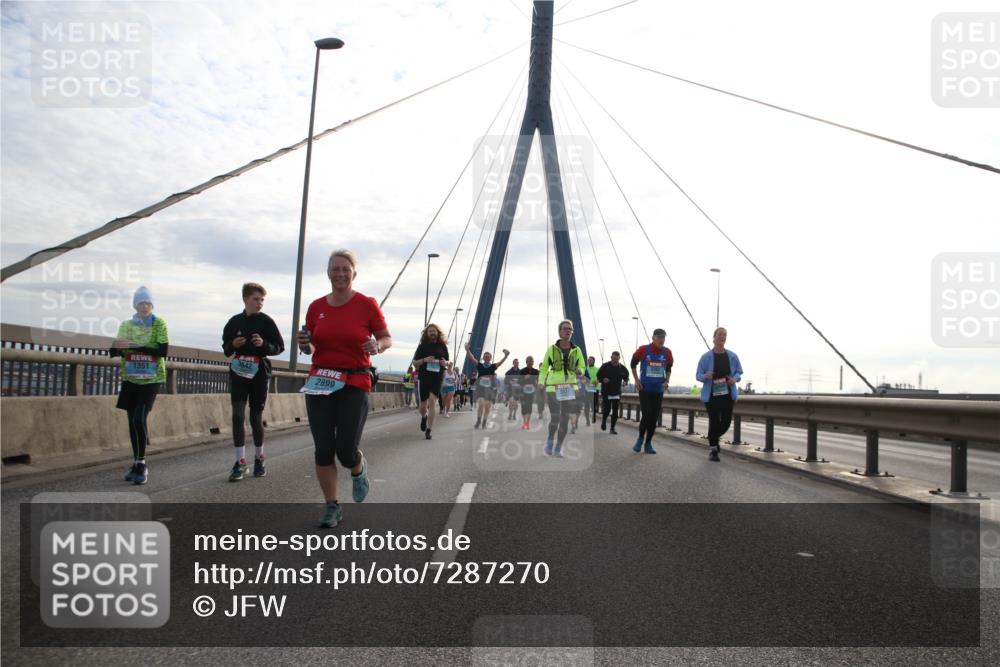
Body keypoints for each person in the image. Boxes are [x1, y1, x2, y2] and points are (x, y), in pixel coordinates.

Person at [298, 249, 391, 528]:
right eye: (335, 269)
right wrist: (305, 343)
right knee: (323, 449)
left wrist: (377, 345)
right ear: (328, 273)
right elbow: (311, 345)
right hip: (320, 381)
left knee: (346, 451)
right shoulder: (316, 307)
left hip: (354, 382)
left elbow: (386, 338)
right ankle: (332, 506)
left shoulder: (366, 304)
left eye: (345, 269)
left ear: (354, 274)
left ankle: (357, 467)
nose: (340, 274)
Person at [221, 282, 285, 481]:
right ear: (245, 299)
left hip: (259, 373)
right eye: (256, 299)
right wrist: (233, 343)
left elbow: (279, 347)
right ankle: (240, 462)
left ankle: (259, 458)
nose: (260, 303)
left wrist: (263, 344)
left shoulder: (266, 322)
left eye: (262, 300)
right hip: (239, 372)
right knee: (237, 416)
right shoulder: (234, 322)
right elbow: (226, 349)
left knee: (255, 417)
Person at [110, 286, 169, 485]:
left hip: (152, 378)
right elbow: (116, 350)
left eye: (148, 303)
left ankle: (142, 464)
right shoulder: (126, 325)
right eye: (141, 303)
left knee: (138, 419)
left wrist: (136, 346)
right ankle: (135, 463)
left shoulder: (159, 323)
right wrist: (117, 348)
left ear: (152, 306)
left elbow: (162, 350)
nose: (145, 306)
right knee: (131, 422)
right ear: (136, 305)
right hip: (131, 378)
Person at [538, 320, 586, 457]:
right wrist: (541, 382)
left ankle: (558, 447)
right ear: (559, 332)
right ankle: (550, 440)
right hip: (553, 388)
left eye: (570, 329)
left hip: (569, 388)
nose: (568, 331)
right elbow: (544, 368)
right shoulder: (551, 349)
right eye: (565, 329)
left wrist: (580, 371)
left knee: (564, 419)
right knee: (556, 417)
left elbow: (582, 366)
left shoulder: (577, 350)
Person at [696, 327, 743, 462]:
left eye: (725, 335)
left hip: (727, 394)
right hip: (711, 395)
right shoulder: (706, 357)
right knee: (714, 422)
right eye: (720, 334)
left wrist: (734, 379)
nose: (722, 337)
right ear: (714, 338)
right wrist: (706, 376)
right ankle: (713, 450)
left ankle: (712, 437)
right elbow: (698, 375)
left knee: (726, 423)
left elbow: (739, 372)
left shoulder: (732, 356)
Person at [629, 328, 673, 454]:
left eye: (663, 337)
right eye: (659, 337)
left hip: (658, 390)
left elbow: (669, 368)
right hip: (645, 389)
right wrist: (637, 380)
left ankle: (648, 443)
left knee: (653, 418)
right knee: (647, 415)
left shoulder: (667, 352)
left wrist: (667, 381)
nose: (661, 340)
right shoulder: (643, 349)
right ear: (653, 338)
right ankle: (640, 438)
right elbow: (633, 364)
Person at [412, 323, 449, 440]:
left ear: (437, 333)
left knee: (432, 401)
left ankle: (429, 430)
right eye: (430, 331)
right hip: (424, 377)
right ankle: (424, 416)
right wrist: (425, 360)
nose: (432, 333)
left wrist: (445, 363)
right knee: (423, 406)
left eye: (434, 331)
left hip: (437, 378)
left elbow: (447, 362)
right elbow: (414, 363)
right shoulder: (422, 346)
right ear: (427, 334)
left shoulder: (442, 346)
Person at [464, 343, 510, 429]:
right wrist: (467, 350)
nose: (487, 358)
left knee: (487, 407)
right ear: (483, 358)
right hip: (481, 389)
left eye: (488, 357)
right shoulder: (480, 365)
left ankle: (484, 422)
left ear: (490, 358)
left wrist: (506, 356)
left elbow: (500, 362)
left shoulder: (493, 366)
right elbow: (472, 358)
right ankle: (478, 420)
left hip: (490, 389)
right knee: (481, 404)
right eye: (485, 357)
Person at [597, 351, 630, 433]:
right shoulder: (605, 366)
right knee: (607, 409)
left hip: (616, 392)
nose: (615, 360)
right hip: (606, 391)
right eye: (614, 358)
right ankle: (604, 421)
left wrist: (625, 381)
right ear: (611, 357)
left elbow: (626, 377)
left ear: (619, 358)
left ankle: (612, 428)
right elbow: (598, 376)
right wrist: (603, 379)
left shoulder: (622, 368)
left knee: (615, 410)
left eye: (617, 359)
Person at [517, 355, 540, 430]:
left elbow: (539, 381)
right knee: (524, 407)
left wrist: (537, 384)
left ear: (533, 362)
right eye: (529, 361)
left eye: (531, 361)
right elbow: (519, 382)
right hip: (523, 392)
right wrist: (524, 378)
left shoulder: (536, 371)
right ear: (526, 362)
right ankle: (524, 422)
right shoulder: (522, 371)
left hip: (531, 392)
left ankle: (527, 423)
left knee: (529, 407)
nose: (530, 363)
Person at [586, 355, 600, 425]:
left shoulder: (597, 369)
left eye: (590, 360)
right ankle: (587, 420)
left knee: (594, 405)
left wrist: (597, 381)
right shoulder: (585, 369)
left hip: (595, 389)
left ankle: (594, 416)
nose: (589, 361)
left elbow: (600, 377)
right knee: (587, 405)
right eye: (588, 360)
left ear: (594, 361)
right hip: (587, 389)